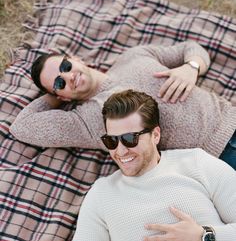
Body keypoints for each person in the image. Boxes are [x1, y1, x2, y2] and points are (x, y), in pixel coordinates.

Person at [68, 89, 236, 241]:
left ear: (155, 135)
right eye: (111, 141)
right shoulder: (101, 194)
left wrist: (204, 237)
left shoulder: (196, 162)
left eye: (130, 139)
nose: (120, 151)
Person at [9, 41, 236, 169]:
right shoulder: (85, 120)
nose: (69, 76)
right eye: (60, 82)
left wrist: (192, 67)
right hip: (219, 155)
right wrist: (53, 96)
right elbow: (22, 127)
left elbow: (192, 48)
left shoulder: (133, 55)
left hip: (231, 115)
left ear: (75, 59)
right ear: (63, 97)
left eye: (66, 66)